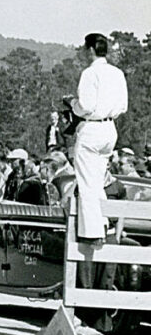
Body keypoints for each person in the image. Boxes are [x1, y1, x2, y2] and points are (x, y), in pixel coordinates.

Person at [70, 32, 129, 240]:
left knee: (87, 182)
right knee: (96, 180)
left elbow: (85, 105)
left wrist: (72, 105)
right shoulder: (117, 73)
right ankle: (103, 221)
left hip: (92, 128)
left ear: (91, 50)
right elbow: (123, 106)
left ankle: (93, 233)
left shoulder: (90, 73)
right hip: (110, 129)